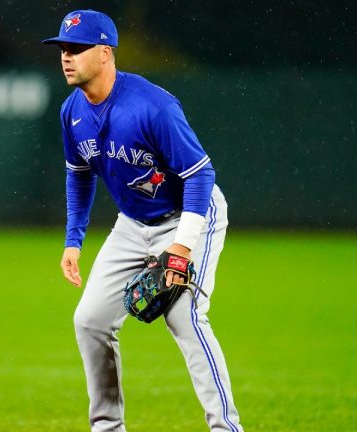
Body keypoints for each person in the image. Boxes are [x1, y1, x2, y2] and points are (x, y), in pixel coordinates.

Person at [42, 9, 244, 432]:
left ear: (105, 53)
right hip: (133, 224)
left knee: (185, 317)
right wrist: (73, 241)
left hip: (190, 215)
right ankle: (107, 427)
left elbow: (200, 175)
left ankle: (226, 427)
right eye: (63, 48)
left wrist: (181, 247)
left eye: (77, 48)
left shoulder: (153, 106)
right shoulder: (71, 111)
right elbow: (78, 174)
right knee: (90, 321)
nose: (66, 57)